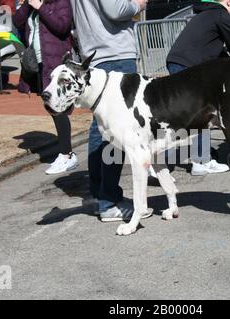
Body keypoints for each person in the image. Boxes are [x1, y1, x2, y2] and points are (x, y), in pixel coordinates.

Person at [71, 0, 149, 221]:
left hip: (95, 53)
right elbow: (116, 10)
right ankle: (107, 201)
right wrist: (138, 5)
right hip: (114, 53)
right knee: (117, 132)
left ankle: (103, 195)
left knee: (101, 128)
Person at [165, 0, 230, 176]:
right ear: (229, 1)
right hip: (189, 66)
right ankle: (201, 161)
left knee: (187, 116)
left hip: (178, 62)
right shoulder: (222, 15)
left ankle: (164, 162)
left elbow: (218, 52)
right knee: (202, 113)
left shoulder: (206, 14)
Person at [13, 0, 78, 175]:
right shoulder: (31, 4)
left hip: (56, 62)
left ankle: (67, 154)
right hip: (40, 63)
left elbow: (63, 26)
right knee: (52, 107)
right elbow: (17, 21)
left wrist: (41, 8)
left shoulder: (60, 2)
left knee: (58, 107)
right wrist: (28, 4)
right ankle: (65, 153)